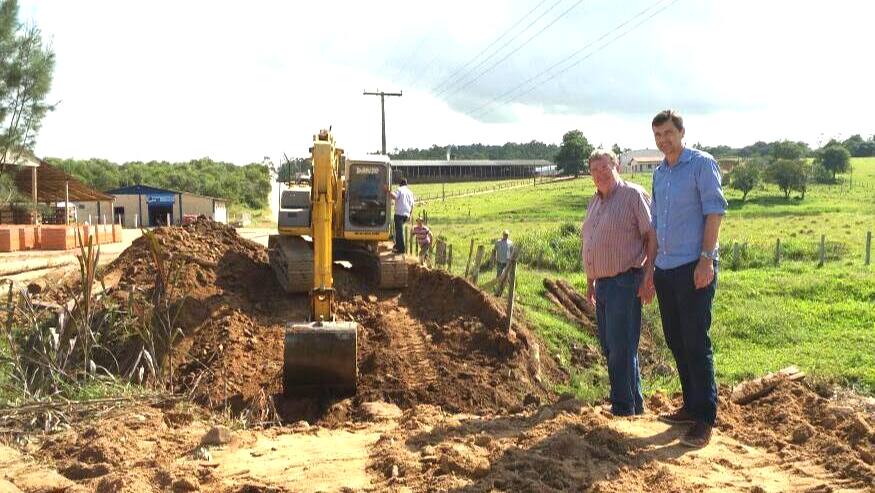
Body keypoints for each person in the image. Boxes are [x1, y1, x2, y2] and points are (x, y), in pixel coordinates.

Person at [649, 109, 727, 448]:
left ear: (681, 132)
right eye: (658, 135)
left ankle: (705, 418)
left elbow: (714, 211)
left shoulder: (701, 164)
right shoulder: (659, 173)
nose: (663, 140)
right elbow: (654, 225)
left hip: (694, 266)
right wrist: (650, 269)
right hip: (666, 269)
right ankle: (690, 405)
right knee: (676, 340)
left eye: (668, 133)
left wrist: (706, 260)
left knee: (696, 341)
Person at [582, 149, 656, 417]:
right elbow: (590, 243)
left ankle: (622, 407)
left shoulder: (633, 195)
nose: (600, 174)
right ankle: (632, 404)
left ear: (617, 166)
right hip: (602, 284)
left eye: (605, 167)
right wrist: (590, 281)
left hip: (625, 281)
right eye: (594, 170)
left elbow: (651, 236)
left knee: (621, 348)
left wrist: (649, 276)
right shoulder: (595, 201)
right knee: (613, 346)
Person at [389, 178, 415, 253]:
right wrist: (410, 215)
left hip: (399, 214)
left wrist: (388, 191)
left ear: (400, 184)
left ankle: (401, 249)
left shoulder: (399, 189)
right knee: (399, 230)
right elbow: (412, 204)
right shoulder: (410, 192)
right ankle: (397, 245)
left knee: (399, 231)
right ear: (406, 184)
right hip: (406, 214)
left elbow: (394, 196)